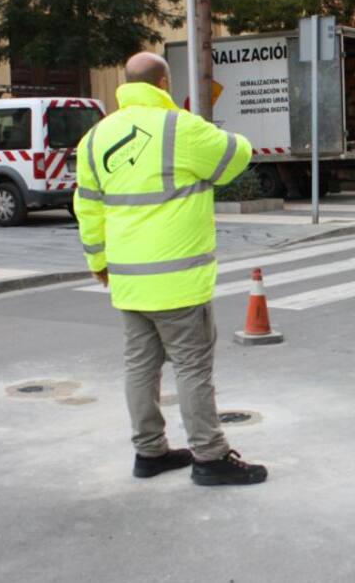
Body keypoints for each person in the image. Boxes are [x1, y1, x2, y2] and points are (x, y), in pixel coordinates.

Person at [73, 52, 267, 487]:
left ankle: (150, 452)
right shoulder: (180, 126)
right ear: (163, 82)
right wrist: (191, 119)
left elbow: (87, 206)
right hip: (177, 282)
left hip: (126, 279)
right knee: (193, 367)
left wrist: (98, 262)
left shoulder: (96, 137)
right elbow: (238, 154)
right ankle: (210, 457)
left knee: (140, 367)